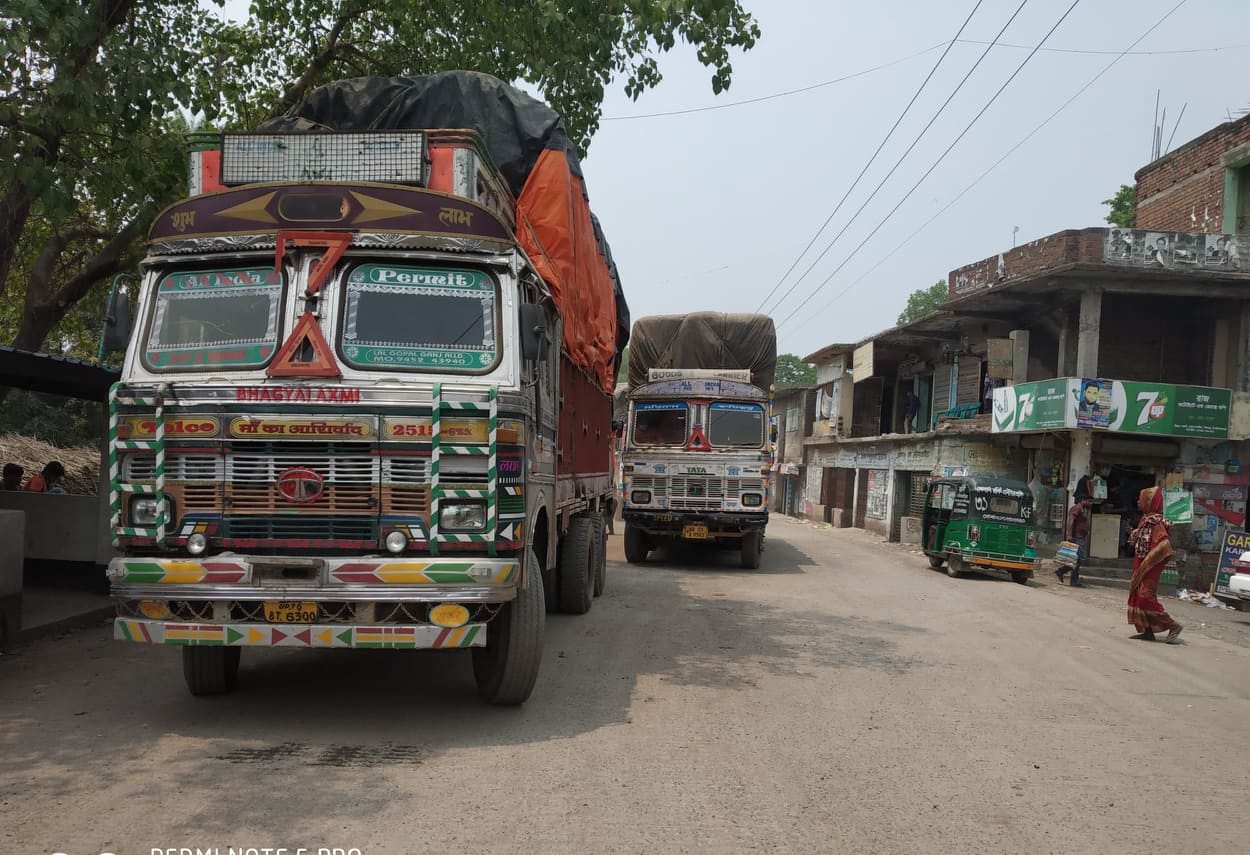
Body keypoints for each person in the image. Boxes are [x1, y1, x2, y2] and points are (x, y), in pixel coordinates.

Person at [1126, 487, 1183, 643]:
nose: (1138, 501)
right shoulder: (1145, 520)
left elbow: (1162, 545)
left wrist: (1149, 562)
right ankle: (1147, 630)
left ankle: (1172, 625)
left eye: (1141, 499)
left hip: (1150, 565)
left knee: (1145, 597)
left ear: (1148, 502)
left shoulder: (1156, 522)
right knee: (1138, 597)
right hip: (1140, 563)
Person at [1058, 496, 1091, 587]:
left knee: (1077, 559)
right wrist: (1069, 534)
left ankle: (1068, 576)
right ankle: (1064, 573)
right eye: (1088, 500)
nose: (1090, 503)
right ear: (1083, 500)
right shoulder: (1077, 508)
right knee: (1080, 558)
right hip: (1077, 537)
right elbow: (1071, 521)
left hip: (1080, 536)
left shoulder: (1083, 509)